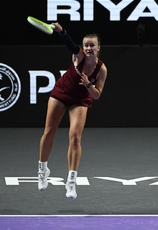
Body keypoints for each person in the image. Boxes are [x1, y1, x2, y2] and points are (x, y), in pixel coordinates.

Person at [37, 22, 108, 199]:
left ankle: (71, 182)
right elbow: (70, 44)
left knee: (75, 139)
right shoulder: (79, 56)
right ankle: (43, 170)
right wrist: (61, 31)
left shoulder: (102, 69)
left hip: (81, 99)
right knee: (48, 133)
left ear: (99, 47)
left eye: (92, 45)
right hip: (62, 92)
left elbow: (97, 95)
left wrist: (88, 84)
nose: (89, 48)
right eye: (86, 45)